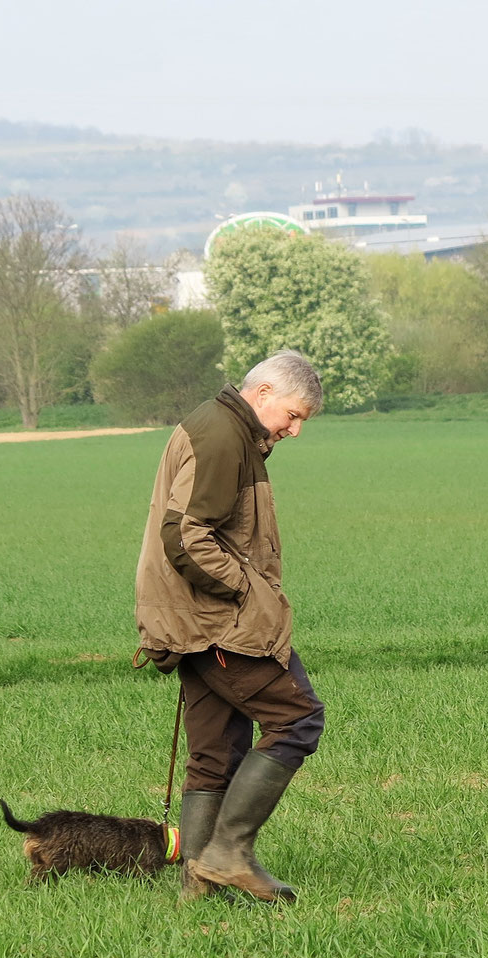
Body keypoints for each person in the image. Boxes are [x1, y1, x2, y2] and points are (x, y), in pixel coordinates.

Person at [133, 351, 325, 903]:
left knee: (217, 746)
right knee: (298, 718)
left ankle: (198, 880)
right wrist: (246, 590)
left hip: (192, 617)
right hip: (213, 620)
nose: (295, 430)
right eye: (292, 415)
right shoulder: (222, 436)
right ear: (262, 393)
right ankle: (228, 852)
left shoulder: (226, 430)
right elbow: (189, 536)